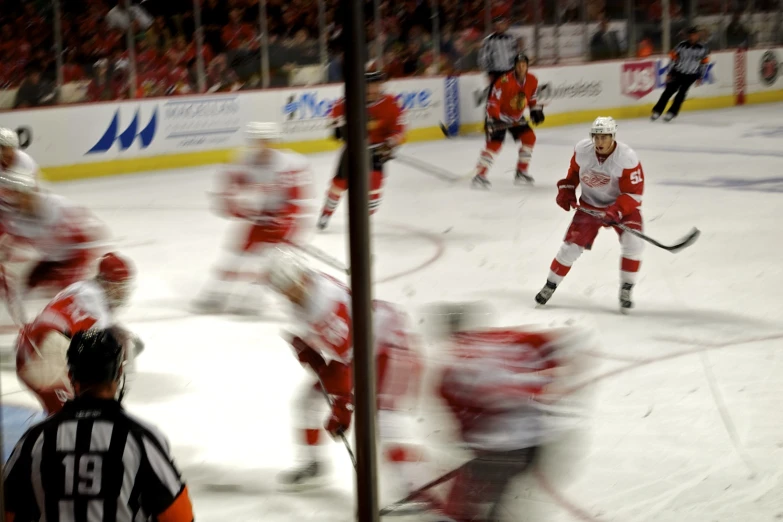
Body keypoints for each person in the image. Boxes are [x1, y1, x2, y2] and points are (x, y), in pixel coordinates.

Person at [268, 257, 426, 500]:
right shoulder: (306, 292)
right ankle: (314, 467)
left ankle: (418, 489)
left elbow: (350, 362)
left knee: (387, 421)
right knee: (307, 402)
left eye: (289, 287)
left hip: (390, 347)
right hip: (366, 348)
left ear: (299, 279)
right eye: (282, 290)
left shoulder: (322, 305)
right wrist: (309, 351)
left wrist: (342, 408)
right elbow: (341, 356)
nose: (287, 294)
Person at [4, 328, 194, 522]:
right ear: (119, 373)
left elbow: (8, 511)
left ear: (71, 376)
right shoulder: (141, 438)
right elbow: (179, 516)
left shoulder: (35, 439)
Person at [431, 309, 576, 522]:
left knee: (463, 508)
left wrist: (472, 442)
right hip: (538, 442)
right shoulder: (501, 337)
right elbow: (542, 344)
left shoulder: (454, 367)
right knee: (492, 500)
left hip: (502, 448)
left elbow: (462, 414)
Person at [193, 121, 311, 313]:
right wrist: (232, 206)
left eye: (267, 141)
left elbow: (297, 198)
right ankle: (216, 293)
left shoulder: (291, 163)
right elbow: (229, 186)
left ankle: (253, 297)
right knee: (236, 255)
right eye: (259, 141)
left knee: (273, 262)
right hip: (261, 217)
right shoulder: (243, 160)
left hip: (285, 220)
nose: (263, 145)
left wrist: (285, 219)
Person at [534, 117, 644, 312]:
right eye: (597, 137)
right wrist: (567, 190)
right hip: (590, 206)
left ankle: (626, 289)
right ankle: (549, 285)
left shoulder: (627, 158)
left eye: (604, 137)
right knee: (570, 249)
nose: (600, 142)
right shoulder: (582, 151)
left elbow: (633, 193)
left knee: (633, 243)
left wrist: (617, 210)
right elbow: (573, 174)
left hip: (621, 208)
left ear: (613, 137)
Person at [15, 252, 137, 415]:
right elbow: (107, 344)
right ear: (107, 283)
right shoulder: (97, 302)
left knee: (67, 417)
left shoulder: (78, 288)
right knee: (79, 417)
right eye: (119, 286)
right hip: (46, 355)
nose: (123, 293)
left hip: (28, 350)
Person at [0, 166, 107, 312]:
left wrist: (79, 265)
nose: (10, 198)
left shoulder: (57, 209)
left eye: (15, 193)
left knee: (67, 294)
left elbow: (88, 239)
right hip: (52, 257)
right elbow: (12, 238)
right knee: (30, 283)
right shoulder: (16, 215)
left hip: (74, 256)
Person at [316, 68, 405, 230]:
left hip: (377, 150)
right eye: (368, 86)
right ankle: (326, 213)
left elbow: (398, 128)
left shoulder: (390, 103)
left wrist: (391, 143)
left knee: (375, 182)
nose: (373, 90)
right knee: (340, 183)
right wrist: (343, 127)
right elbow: (335, 127)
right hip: (354, 149)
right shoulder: (348, 102)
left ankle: (364, 218)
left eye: (376, 85)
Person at [471, 52, 544, 188]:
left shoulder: (532, 79)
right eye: (519, 65)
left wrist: (535, 110)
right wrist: (497, 119)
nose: (521, 68)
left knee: (529, 138)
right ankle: (479, 175)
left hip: (516, 117)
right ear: (514, 66)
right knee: (495, 145)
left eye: (524, 65)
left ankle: (521, 172)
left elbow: (532, 98)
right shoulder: (504, 81)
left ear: (527, 66)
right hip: (498, 116)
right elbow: (493, 103)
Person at [651, 26, 710, 122]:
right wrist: (670, 72)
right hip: (677, 72)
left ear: (697, 36)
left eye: (694, 35)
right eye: (691, 35)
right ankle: (657, 111)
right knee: (668, 92)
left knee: (681, 94)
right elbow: (673, 59)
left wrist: (700, 76)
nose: (692, 37)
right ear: (688, 36)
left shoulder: (702, 48)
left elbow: (704, 63)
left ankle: (672, 112)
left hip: (691, 75)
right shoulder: (681, 46)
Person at [477, 15, 520, 101]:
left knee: (511, 96)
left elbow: (516, 54)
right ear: (494, 27)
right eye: (497, 25)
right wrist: (489, 72)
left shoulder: (511, 39)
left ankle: (512, 114)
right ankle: (491, 114)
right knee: (494, 97)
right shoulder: (488, 40)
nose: (499, 26)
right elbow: (483, 58)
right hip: (495, 73)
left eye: (502, 24)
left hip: (509, 72)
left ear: (505, 25)